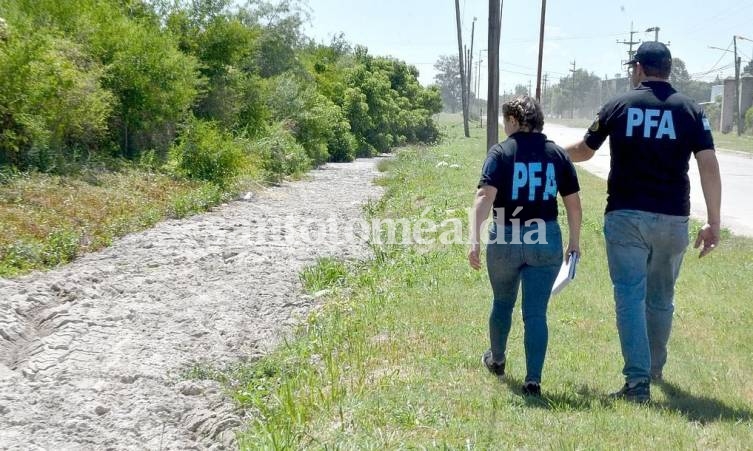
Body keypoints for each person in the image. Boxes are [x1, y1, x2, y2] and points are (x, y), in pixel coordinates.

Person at [564, 41, 722, 403]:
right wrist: (713, 222)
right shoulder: (691, 111)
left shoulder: (620, 105)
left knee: (630, 298)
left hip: (626, 215)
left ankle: (637, 384)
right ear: (668, 69)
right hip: (673, 218)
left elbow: (586, 150)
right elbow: (708, 166)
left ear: (638, 68)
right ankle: (654, 369)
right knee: (662, 298)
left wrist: (553, 152)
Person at [468, 96, 582, 396]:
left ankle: (497, 359)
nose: (504, 126)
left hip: (505, 235)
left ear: (515, 121)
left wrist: (474, 239)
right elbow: (573, 205)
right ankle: (533, 379)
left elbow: (484, 198)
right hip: (545, 237)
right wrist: (574, 241)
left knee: (502, 303)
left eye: (506, 120)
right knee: (535, 313)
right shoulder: (557, 154)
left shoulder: (500, 153)